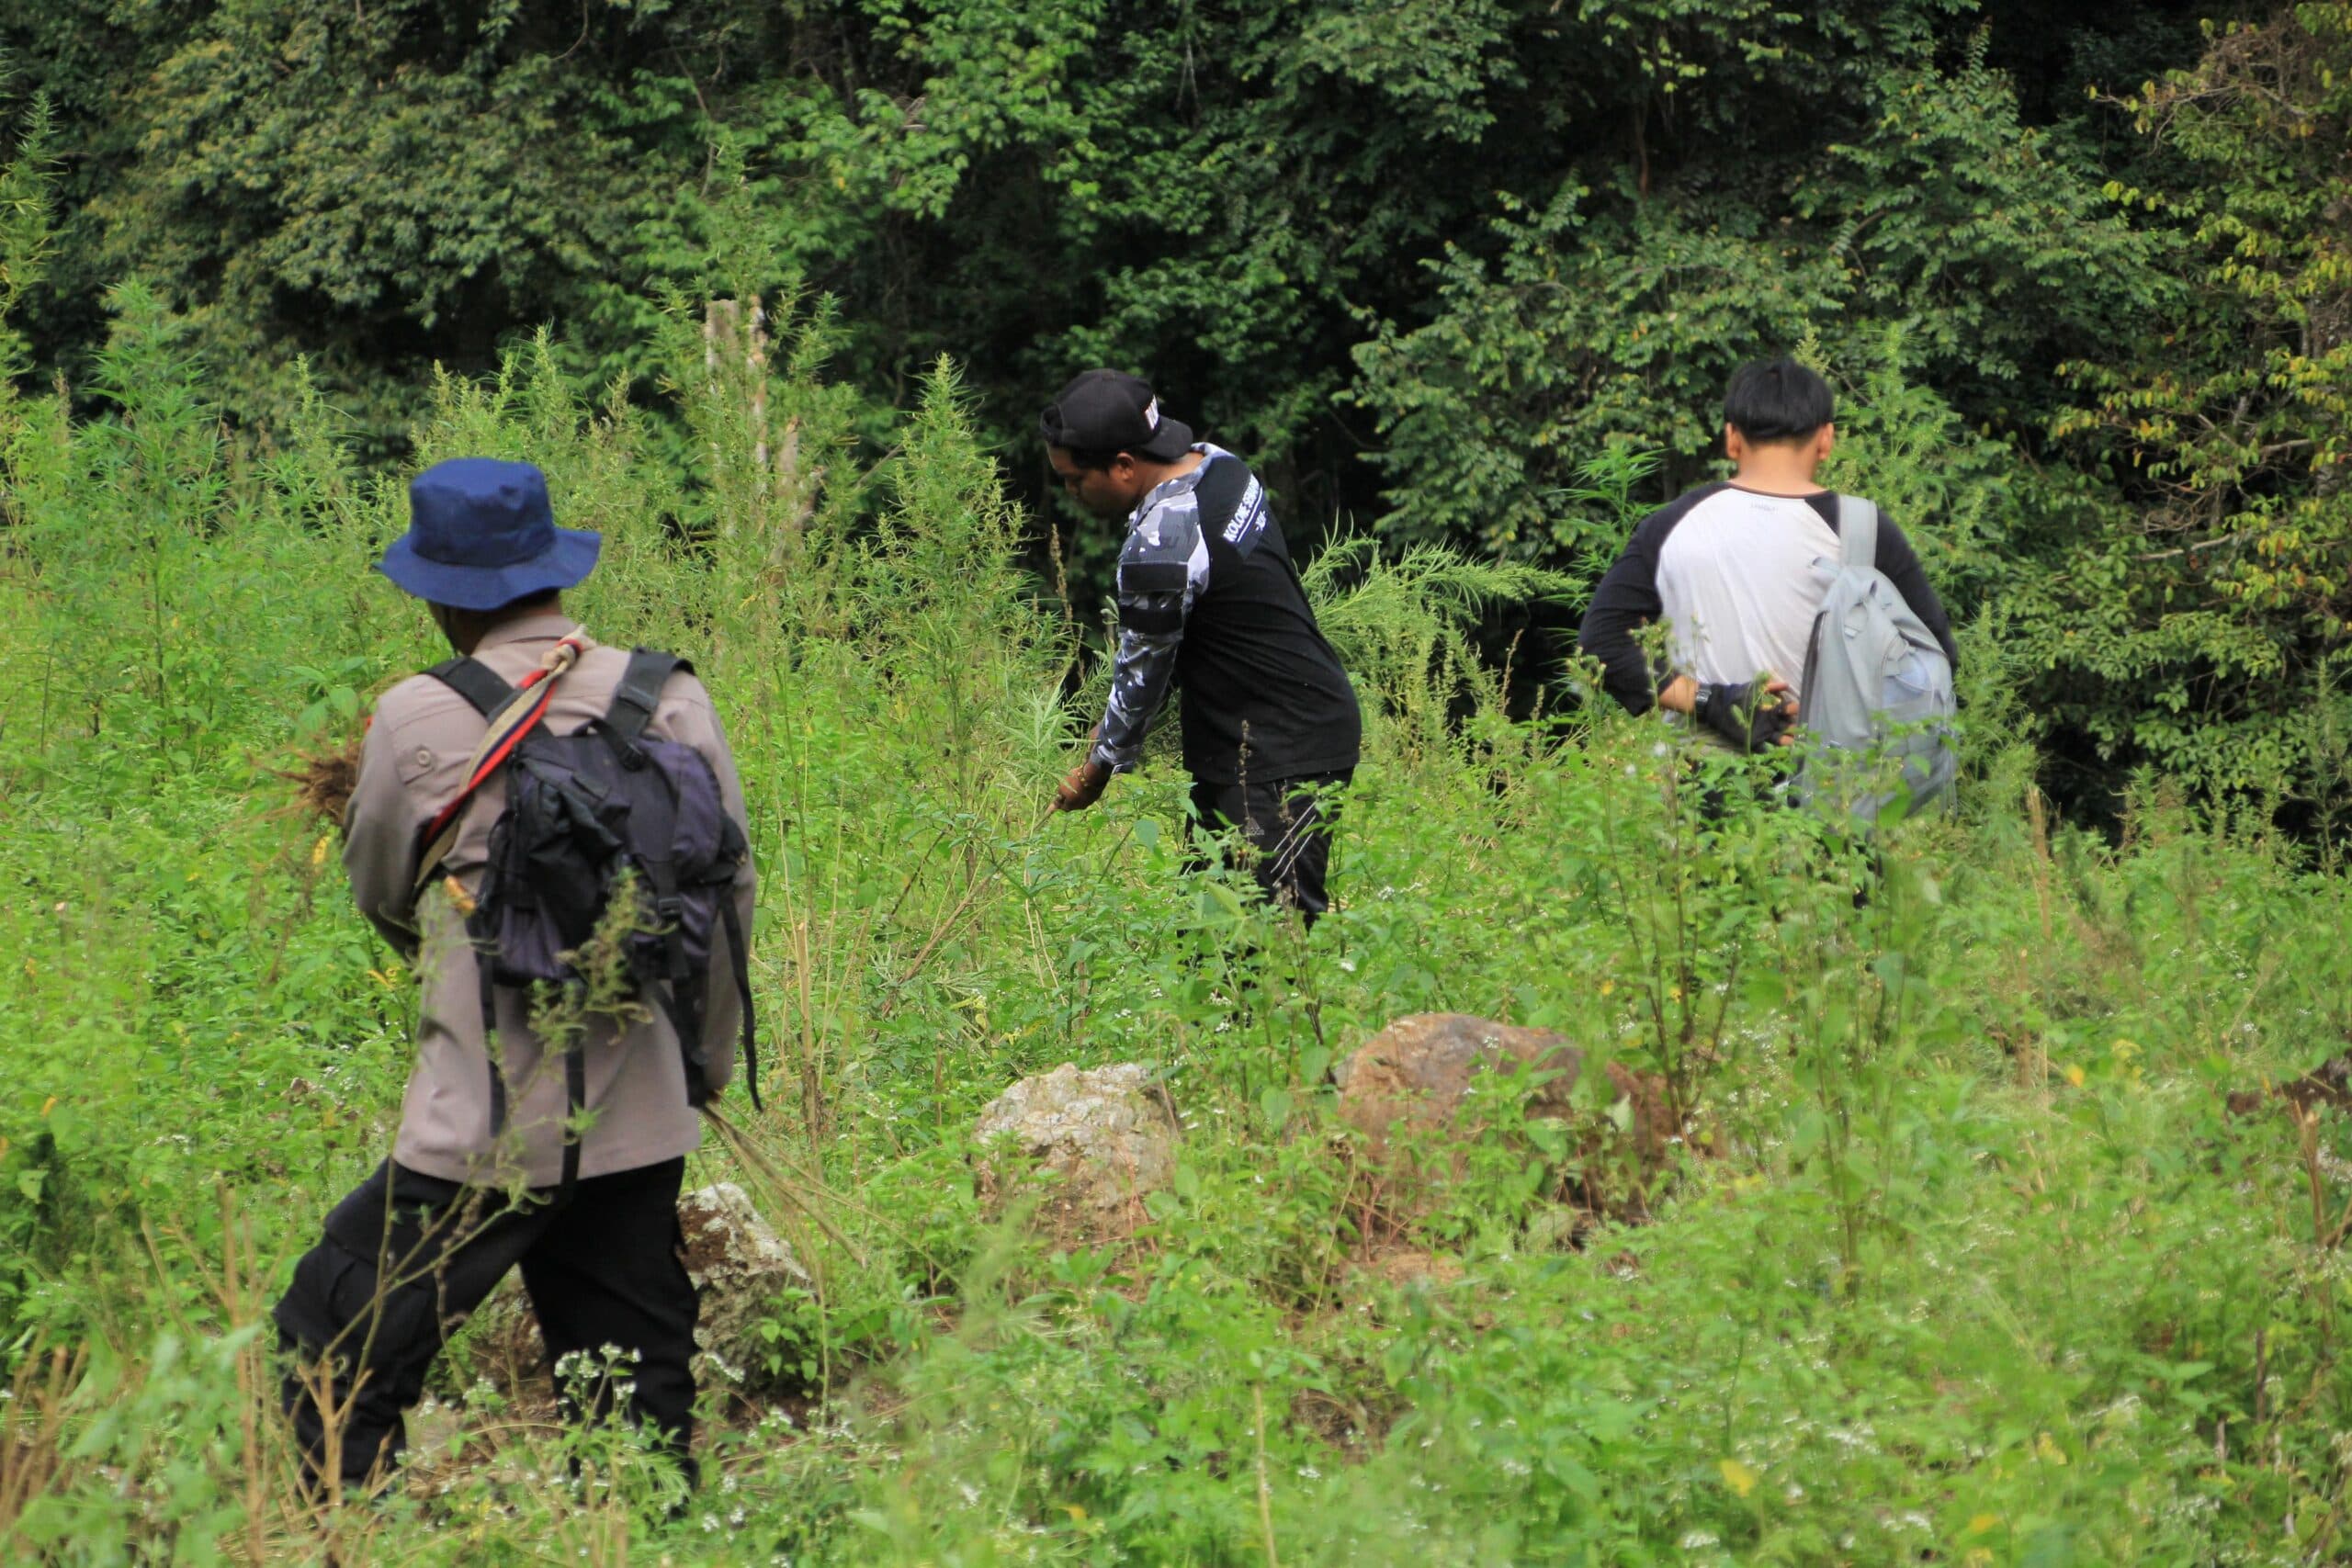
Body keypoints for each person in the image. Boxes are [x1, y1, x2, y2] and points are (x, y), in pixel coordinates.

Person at [272, 458, 756, 1498]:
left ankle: (345, 1533)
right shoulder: (667, 696)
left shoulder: (414, 718)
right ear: (553, 569)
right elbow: (726, 895)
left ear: (442, 593)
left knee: (329, 1340)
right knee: (633, 1390)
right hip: (642, 1111)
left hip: (483, 1121)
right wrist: (702, 1066)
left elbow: (379, 890)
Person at [1041, 370, 1361, 924]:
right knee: (1208, 938)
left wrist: (1099, 766)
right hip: (1256, 741)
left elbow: (1144, 670)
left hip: (1280, 754)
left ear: (1123, 465)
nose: (1071, 494)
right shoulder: (1220, 467)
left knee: (1267, 946)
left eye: (1075, 480)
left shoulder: (1164, 538)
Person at [1577, 357, 1958, 753]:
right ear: (1826, 439)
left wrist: (1711, 702)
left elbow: (1600, 645)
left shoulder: (1673, 524)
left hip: (1695, 787)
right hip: (1835, 789)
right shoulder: (1863, 528)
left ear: (1732, 438)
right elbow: (1934, 662)